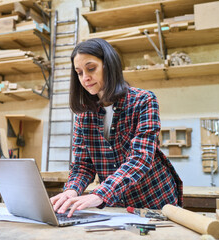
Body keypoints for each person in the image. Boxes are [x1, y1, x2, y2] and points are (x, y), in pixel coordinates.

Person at [50, 38, 183, 217]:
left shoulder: (143, 101)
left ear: (109, 65)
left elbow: (140, 158)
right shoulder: (84, 115)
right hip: (117, 206)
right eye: (79, 72)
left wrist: (100, 194)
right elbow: (83, 165)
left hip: (155, 199)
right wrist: (71, 190)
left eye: (91, 69)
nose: (85, 78)